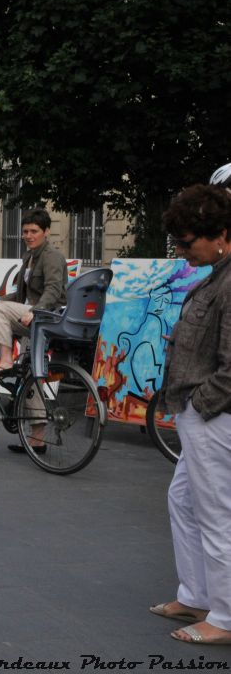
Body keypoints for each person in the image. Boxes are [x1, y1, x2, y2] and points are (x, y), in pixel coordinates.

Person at [149, 184, 231, 646]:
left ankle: (224, 616)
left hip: (214, 416)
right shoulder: (218, 273)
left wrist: (201, 407)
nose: (181, 251)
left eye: (186, 242)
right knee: (185, 502)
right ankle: (198, 594)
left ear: (219, 233)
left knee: (217, 513)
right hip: (201, 412)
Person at [0, 208, 67, 454]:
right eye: (25, 231)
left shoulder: (52, 257)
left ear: (46, 231)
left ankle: (5, 359)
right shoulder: (29, 257)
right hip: (33, 318)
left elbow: (53, 290)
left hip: (47, 317)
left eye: (34, 231)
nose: (28, 235)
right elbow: (21, 294)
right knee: (33, 378)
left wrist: (37, 310)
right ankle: (37, 441)